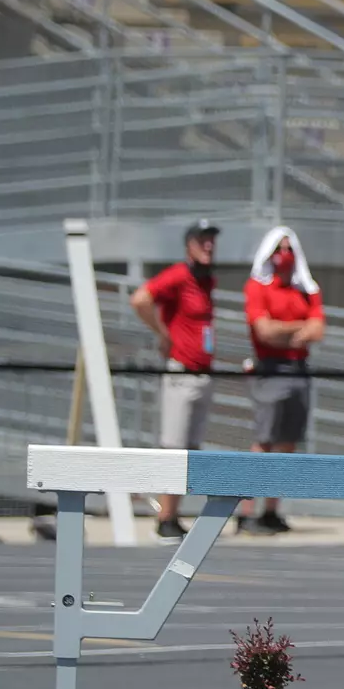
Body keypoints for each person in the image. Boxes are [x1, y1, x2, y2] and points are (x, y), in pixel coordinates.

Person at [129, 219, 218, 540]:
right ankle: (165, 516)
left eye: (211, 240)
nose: (208, 245)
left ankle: (174, 514)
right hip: (181, 372)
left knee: (191, 448)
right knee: (175, 446)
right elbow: (140, 299)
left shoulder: (206, 281)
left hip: (203, 373)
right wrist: (162, 332)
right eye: (202, 240)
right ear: (189, 244)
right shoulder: (179, 275)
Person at [238, 226, 325, 536]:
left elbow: (317, 330)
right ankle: (246, 511)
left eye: (289, 249)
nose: (284, 256)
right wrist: (298, 330)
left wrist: (284, 330)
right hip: (269, 370)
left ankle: (271, 511)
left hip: (299, 370)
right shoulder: (257, 287)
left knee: (287, 443)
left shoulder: (306, 289)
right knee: (264, 440)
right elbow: (264, 332)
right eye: (279, 249)